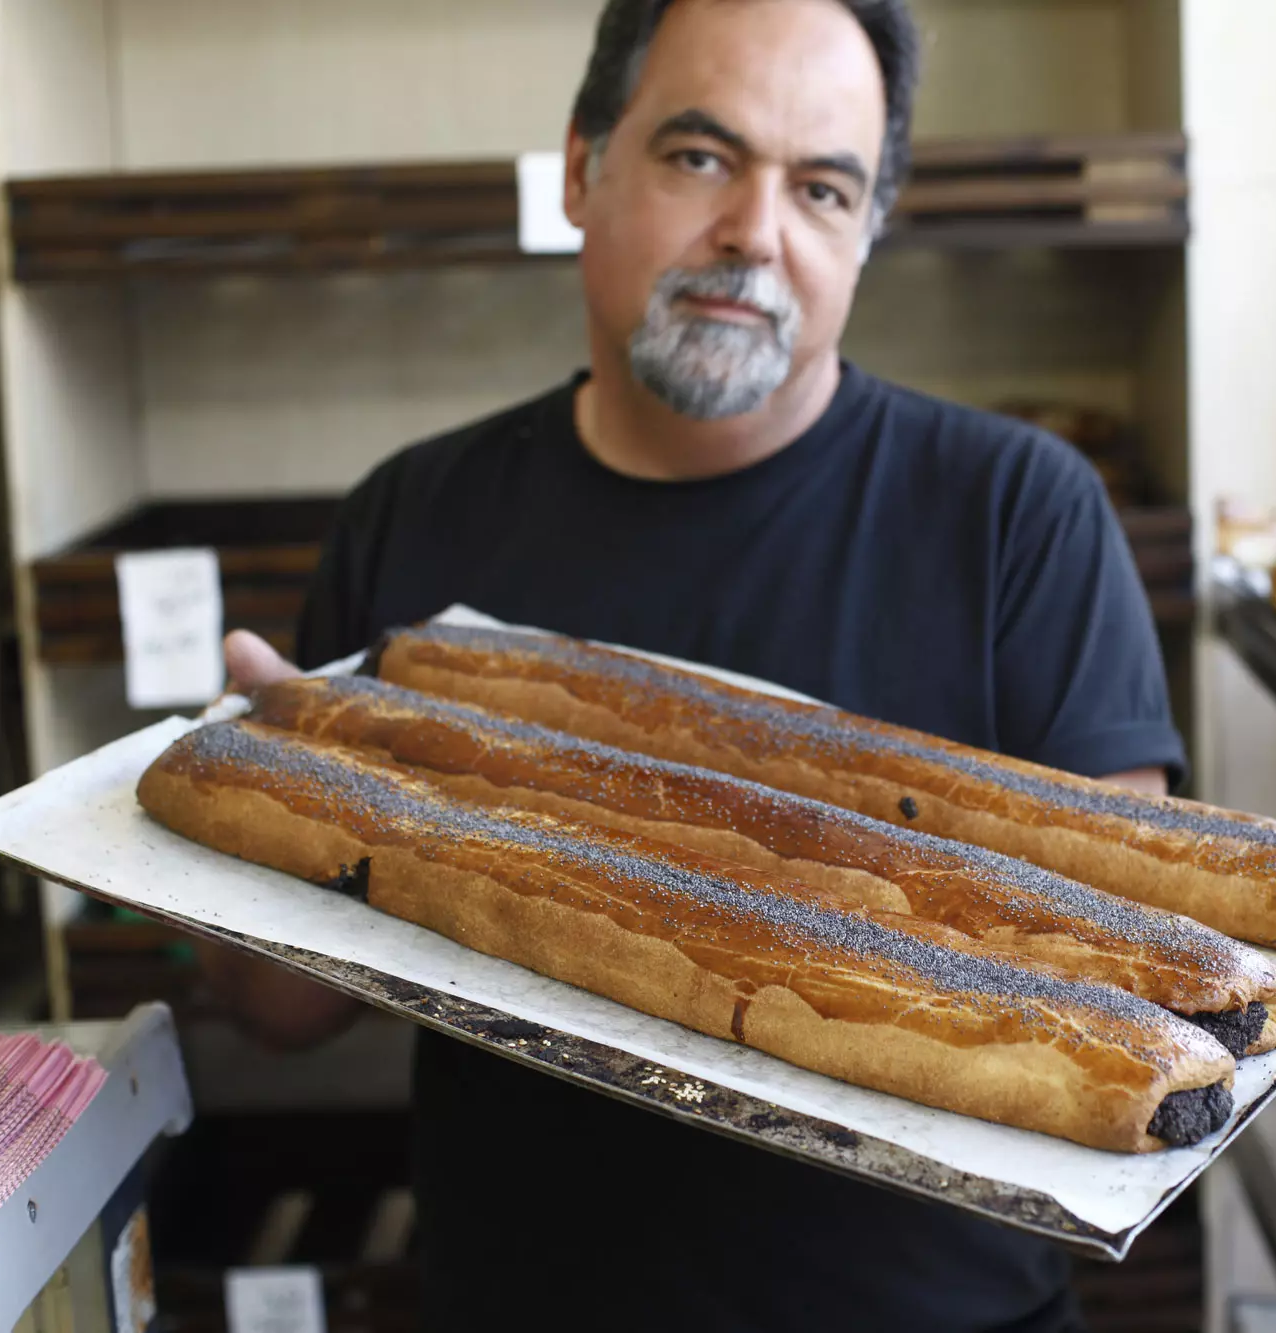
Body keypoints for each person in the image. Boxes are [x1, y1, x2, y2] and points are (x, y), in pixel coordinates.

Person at [208, 0, 1184, 1327]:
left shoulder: (1018, 516)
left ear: (867, 233)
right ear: (580, 169)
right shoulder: (415, 517)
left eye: (824, 187)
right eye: (700, 157)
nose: (755, 233)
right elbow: (277, 1011)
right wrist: (247, 814)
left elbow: (1123, 1003)